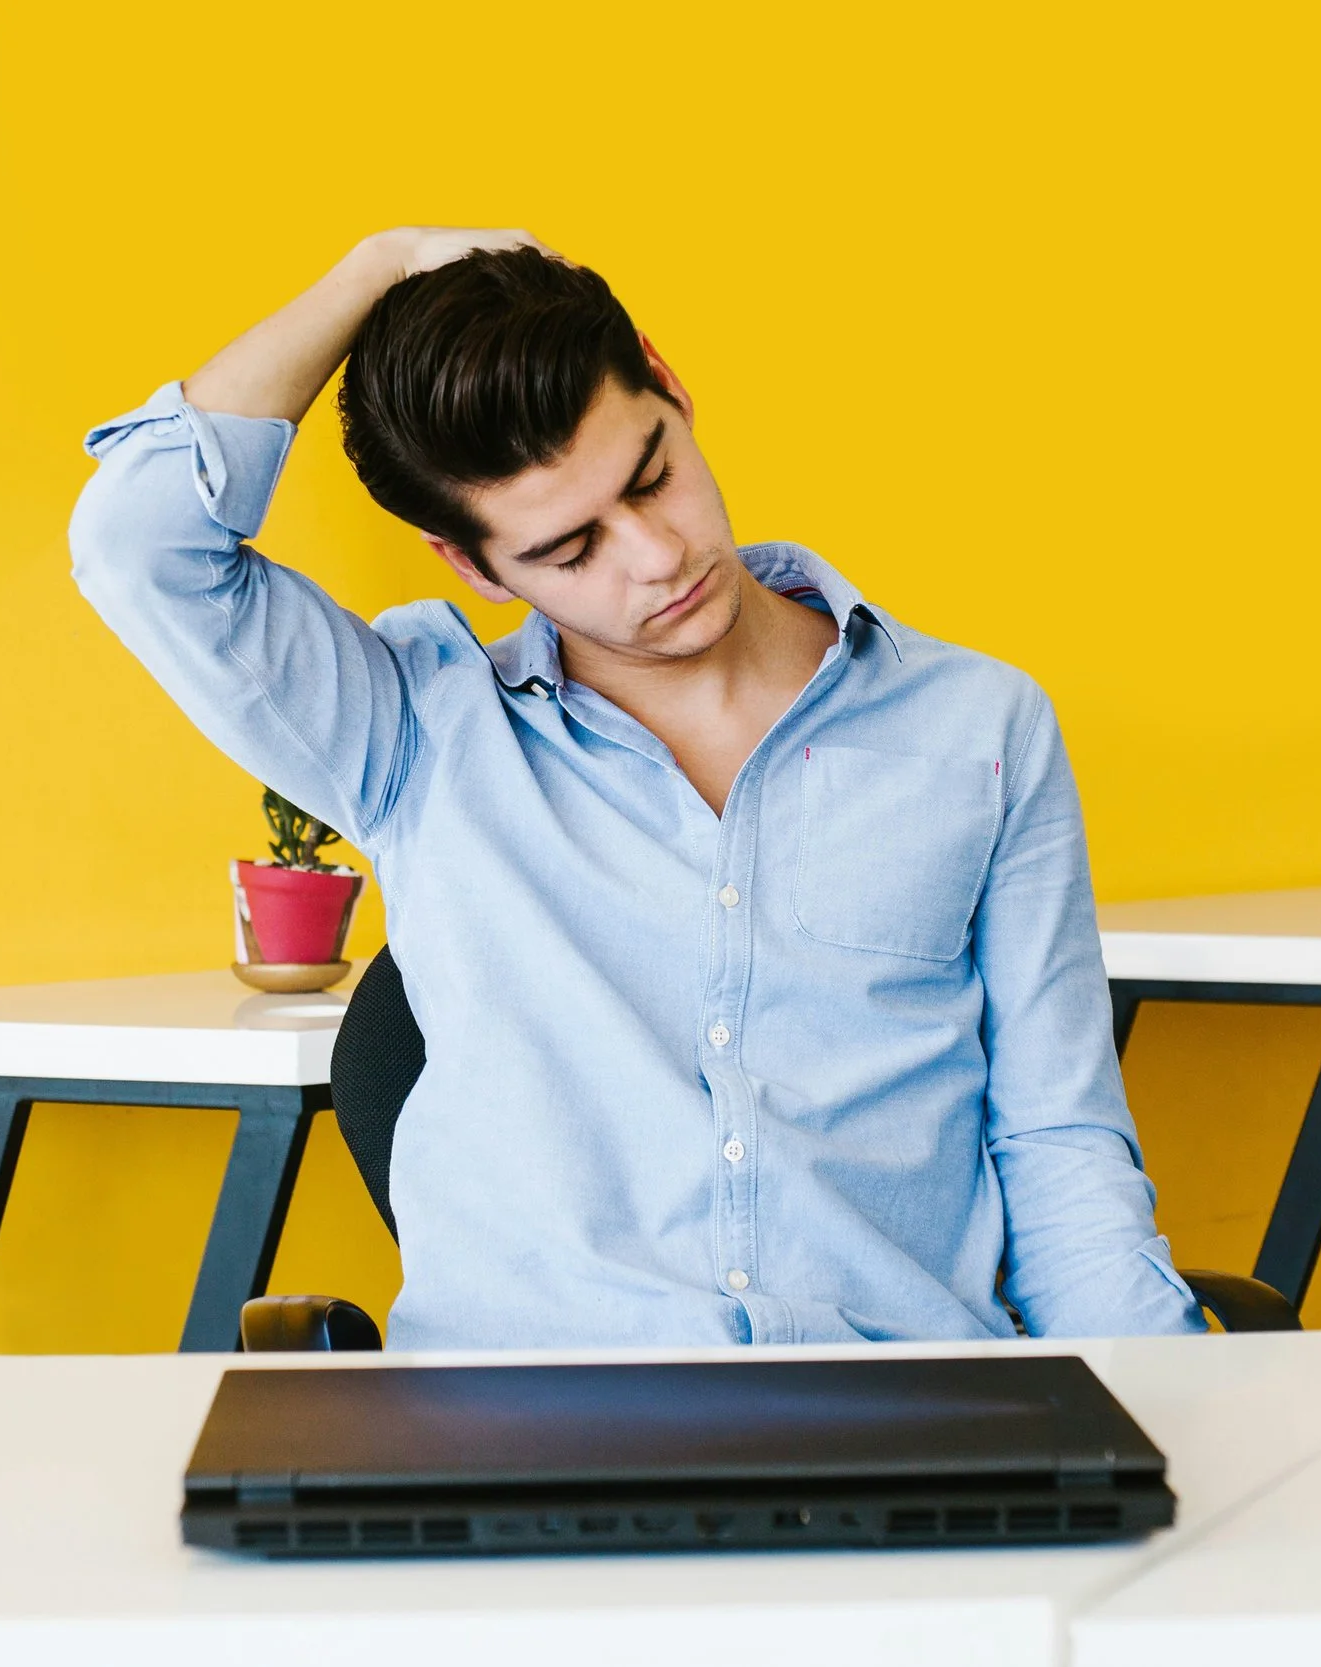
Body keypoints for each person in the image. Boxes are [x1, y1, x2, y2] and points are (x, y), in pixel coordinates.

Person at [70, 227, 1204, 1347]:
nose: (656, 556)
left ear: (666, 383)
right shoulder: (410, 732)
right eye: (570, 551)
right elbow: (138, 542)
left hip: (905, 1421)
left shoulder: (979, 725)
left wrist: (1191, 1412)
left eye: (651, 477)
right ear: (472, 565)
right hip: (530, 1443)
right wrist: (376, 267)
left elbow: (1058, 1143)